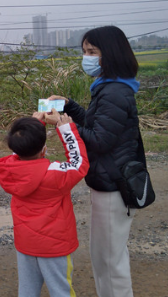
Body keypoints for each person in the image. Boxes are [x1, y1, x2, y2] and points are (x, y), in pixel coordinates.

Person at [46, 26, 140, 297]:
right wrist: (70, 106)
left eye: (92, 52)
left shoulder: (114, 91)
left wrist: (65, 126)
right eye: (84, 51)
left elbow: (99, 140)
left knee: (109, 261)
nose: (86, 57)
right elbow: (100, 124)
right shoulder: (109, 87)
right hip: (110, 180)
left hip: (113, 185)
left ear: (109, 54)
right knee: (105, 257)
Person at [0, 113, 89, 297]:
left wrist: (34, 125)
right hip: (55, 247)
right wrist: (66, 129)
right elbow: (79, 164)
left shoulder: (10, 170)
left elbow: (22, 150)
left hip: (26, 244)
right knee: (61, 290)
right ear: (44, 150)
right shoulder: (55, 175)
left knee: (27, 290)